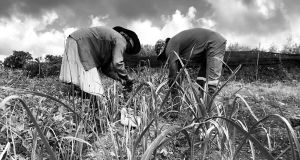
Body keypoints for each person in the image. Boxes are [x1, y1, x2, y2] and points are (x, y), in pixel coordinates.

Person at [155, 28, 226, 111]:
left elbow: (173, 76)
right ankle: (202, 111)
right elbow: (179, 73)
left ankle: (215, 115)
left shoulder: (170, 46)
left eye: (162, 58)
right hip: (206, 49)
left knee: (212, 85)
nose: (164, 61)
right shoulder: (176, 45)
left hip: (213, 43)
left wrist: (173, 89)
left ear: (163, 51)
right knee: (201, 83)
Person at [59, 26, 141, 96]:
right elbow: (117, 63)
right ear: (129, 41)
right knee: (95, 91)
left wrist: (120, 79)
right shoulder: (121, 39)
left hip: (75, 40)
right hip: (81, 44)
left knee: (82, 86)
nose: (125, 50)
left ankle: (82, 103)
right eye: (128, 48)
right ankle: (95, 109)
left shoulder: (109, 44)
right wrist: (127, 77)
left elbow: (106, 70)